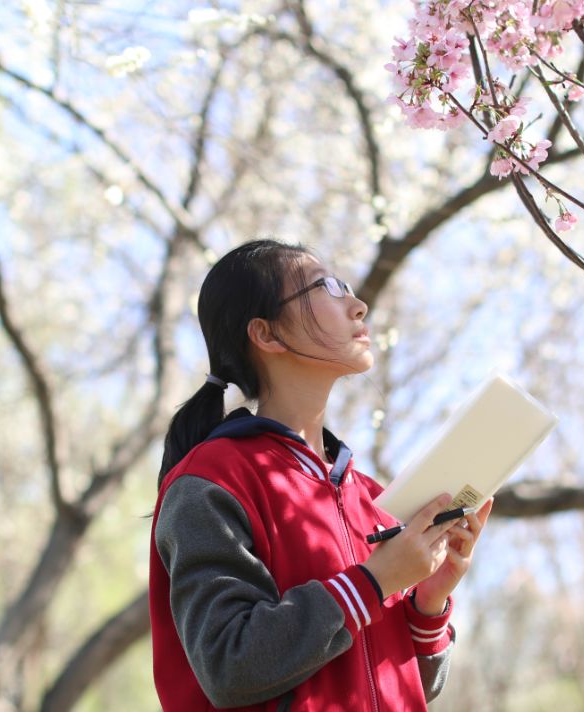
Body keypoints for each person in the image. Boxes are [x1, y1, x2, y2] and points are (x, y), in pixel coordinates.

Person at [149, 238, 493, 711]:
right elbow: (229, 664)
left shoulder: (371, 498)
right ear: (266, 335)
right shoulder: (211, 480)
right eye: (325, 288)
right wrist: (373, 582)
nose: (357, 305)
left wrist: (427, 601)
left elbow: (412, 684)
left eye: (346, 286)